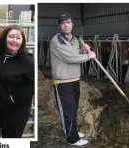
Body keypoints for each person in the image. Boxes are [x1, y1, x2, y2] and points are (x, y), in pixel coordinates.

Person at [49, 13, 96, 146]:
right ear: (60, 25)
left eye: (68, 22)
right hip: (63, 82)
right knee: (67, 111)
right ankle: (72, 139)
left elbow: (76, 56)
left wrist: (84, 51)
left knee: (73, 109)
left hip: (75, 79)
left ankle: (73, 131)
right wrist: (88, 56)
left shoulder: (75, 40)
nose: (66, 25)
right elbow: (69, 58)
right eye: (63, 23)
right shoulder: (57, 40)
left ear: (72, 24)